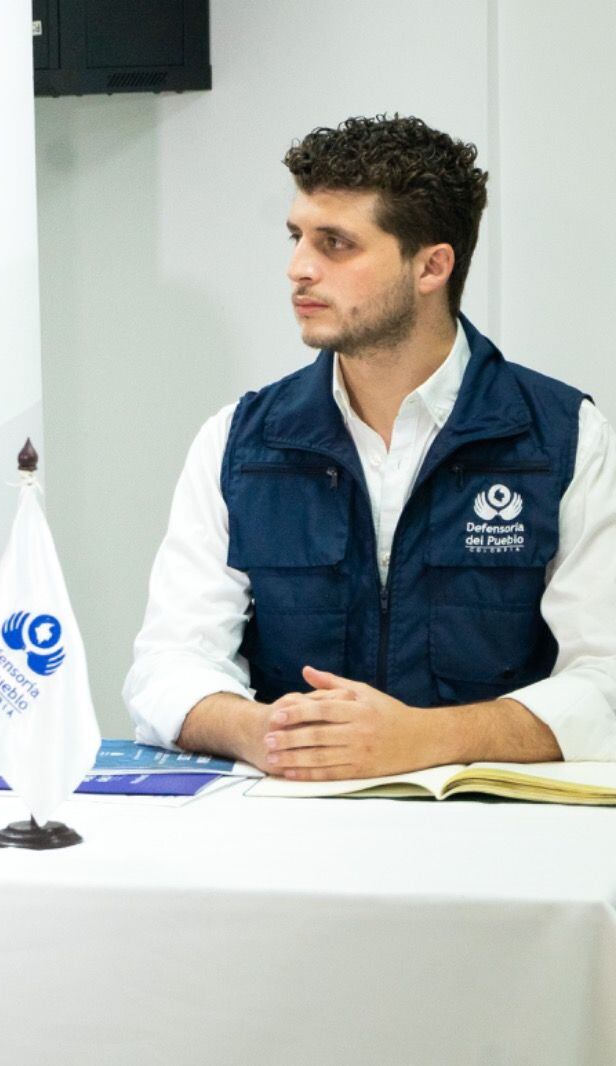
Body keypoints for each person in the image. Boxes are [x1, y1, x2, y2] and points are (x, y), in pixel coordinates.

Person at [124, 115, 616, 780]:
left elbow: (605, 680)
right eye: (298, 237)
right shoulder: (239, 441)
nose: (298, 268)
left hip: (495, 837)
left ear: (432, 266)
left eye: (336, 244)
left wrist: (421, 739)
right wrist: (266, 731)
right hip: (289, 826)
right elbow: (166, 664)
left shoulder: (563, 436)